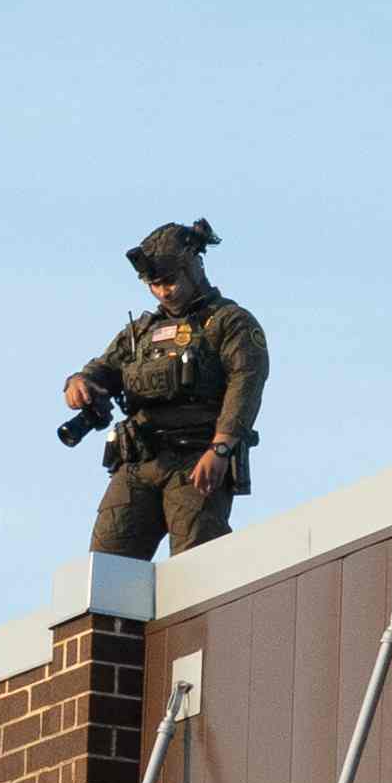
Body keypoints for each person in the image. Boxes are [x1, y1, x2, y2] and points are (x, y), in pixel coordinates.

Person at [62, 220, 269, 561]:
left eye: (170, 281)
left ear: (194, 268)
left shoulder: (229, 322)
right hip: (138, 462)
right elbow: (103, 368)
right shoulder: (141, 332)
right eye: (154, 284)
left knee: (196, 569)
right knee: (105, 570)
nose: (163, 291)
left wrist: (221, 449)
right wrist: (78, 383)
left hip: (196, 460)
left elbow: (246, 383)